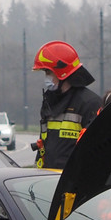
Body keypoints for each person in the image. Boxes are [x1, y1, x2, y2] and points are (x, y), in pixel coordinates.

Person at [31, 40, 102, 169]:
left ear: (62, 72)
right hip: (48, 178)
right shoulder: (49, 102)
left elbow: (96, 150)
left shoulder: (89, 103)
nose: (46, 78)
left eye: (48, 72)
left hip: (74, 182)